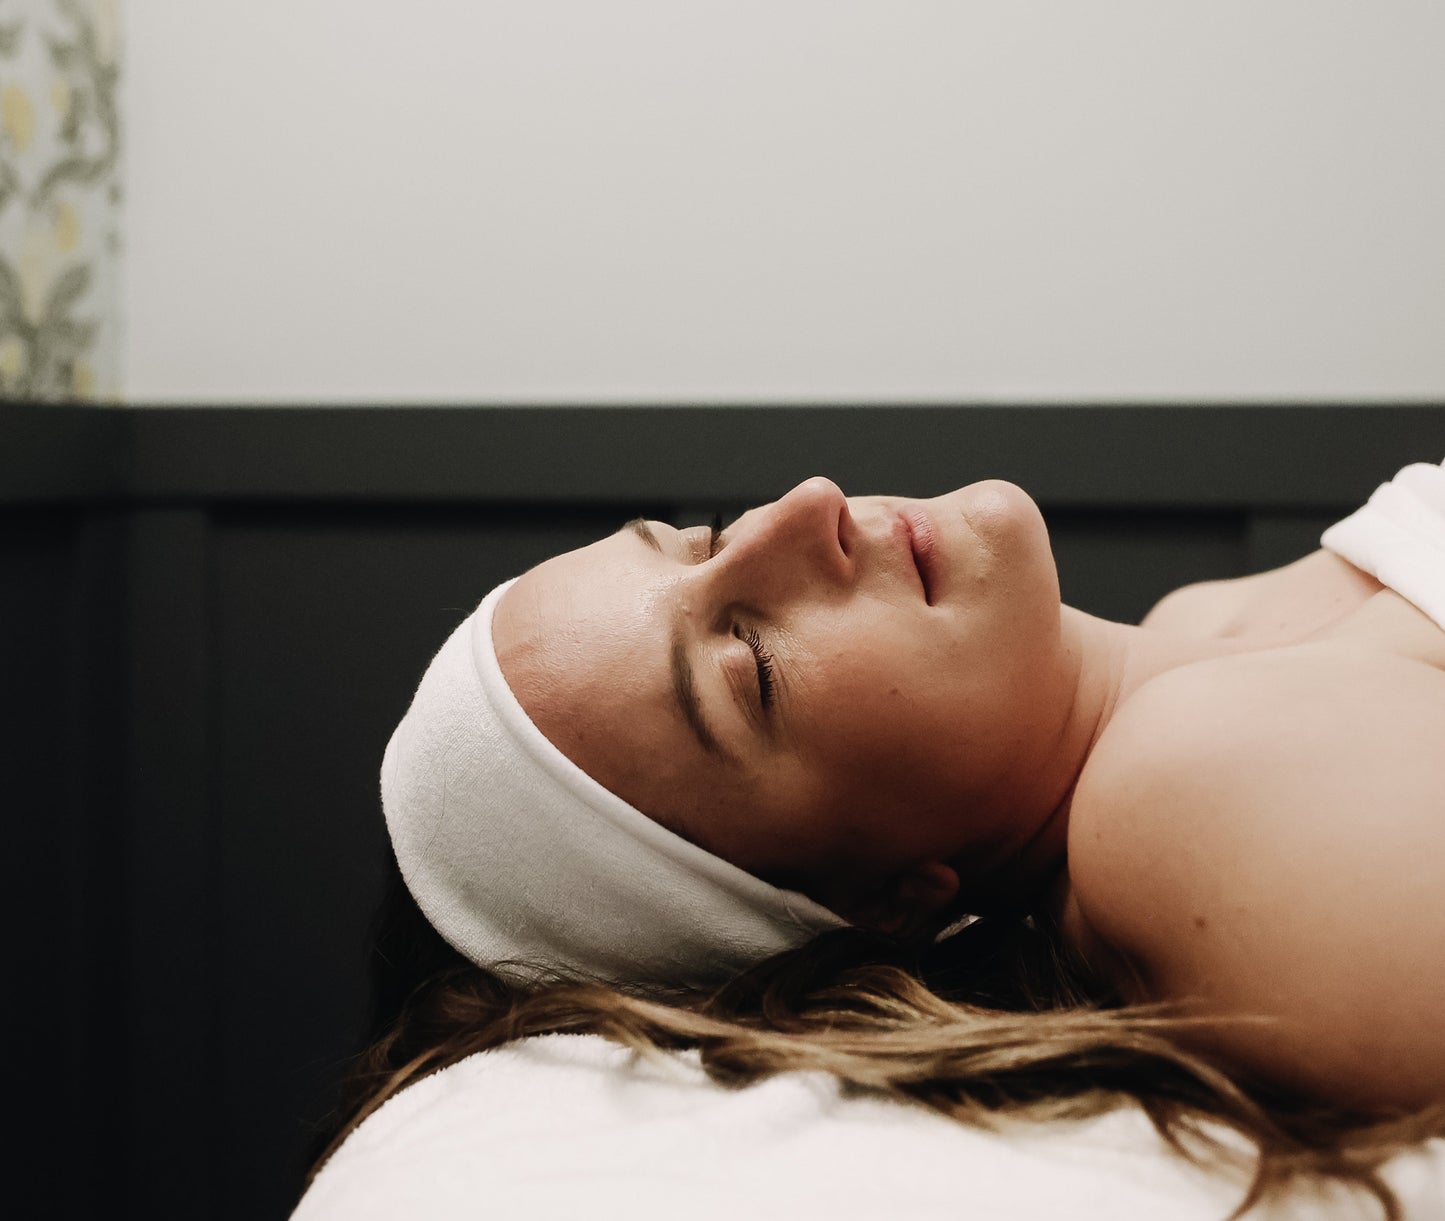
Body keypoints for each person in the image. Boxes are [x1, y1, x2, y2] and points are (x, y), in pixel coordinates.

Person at [305, 467, 1445, 1218]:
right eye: (750, 665)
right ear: (886, 900)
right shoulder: (1175, 806)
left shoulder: (1202, 636)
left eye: (699, 539)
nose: (805, 506)